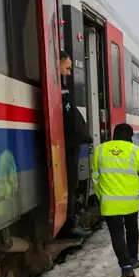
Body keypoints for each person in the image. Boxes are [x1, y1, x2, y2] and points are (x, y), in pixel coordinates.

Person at [92, 123, 139, 277]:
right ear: (131, 136)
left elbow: (95, 178)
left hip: (110, 203)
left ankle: (126, 267)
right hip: (131, 203)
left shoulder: (100, 150)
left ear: (114, 134)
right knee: (132, 229)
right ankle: (133, 258)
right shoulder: (138, 152)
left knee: (117, 235)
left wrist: (101, 197)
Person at [59, 50, 92, 238]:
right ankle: (69, 225)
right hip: (68, 144)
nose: (69, 72)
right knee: (70, 182)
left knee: (72, 182)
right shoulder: (59, 89)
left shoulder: (61, 87)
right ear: (58, 63)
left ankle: (70, 222)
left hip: (70, 143)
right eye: (67, 68)